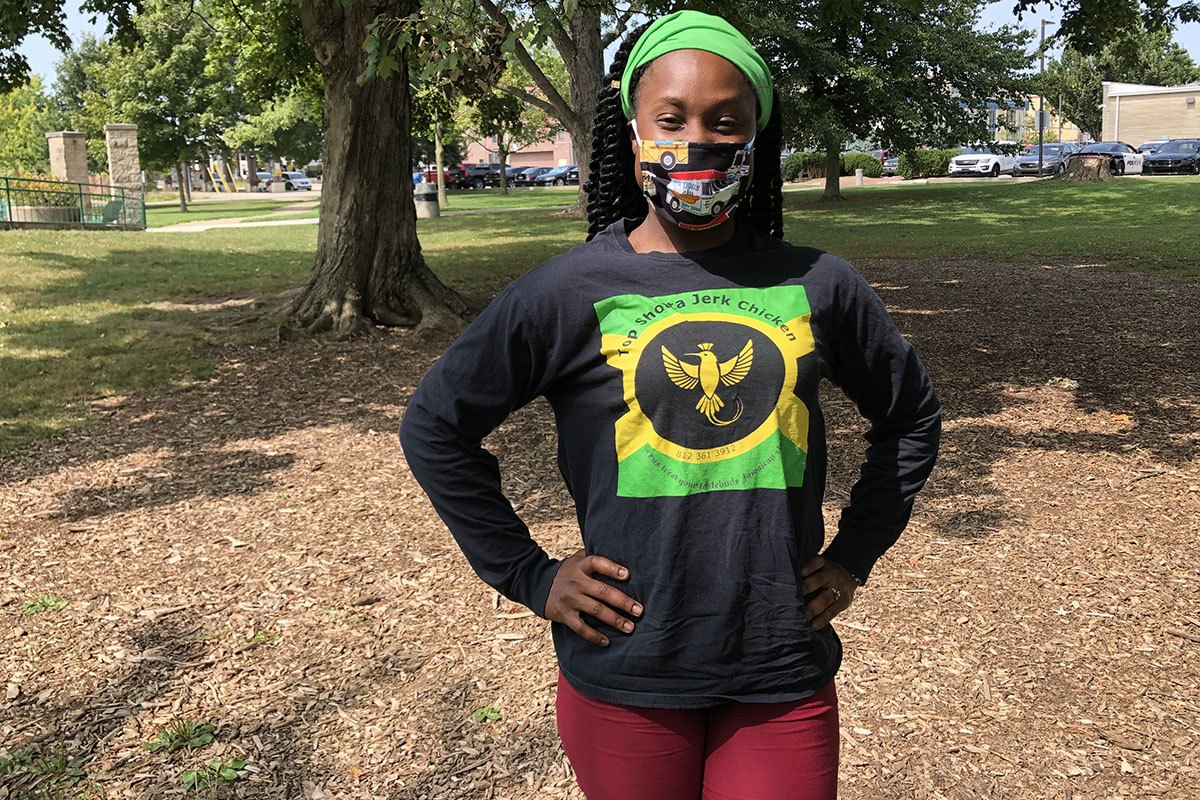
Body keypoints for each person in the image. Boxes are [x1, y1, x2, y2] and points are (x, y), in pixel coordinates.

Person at [399, 10, 941, 799]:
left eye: (727, 122)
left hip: (777, 660)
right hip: (628, 667)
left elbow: (911, 416)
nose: (699, 141)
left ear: (756, 136)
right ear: (632, 128)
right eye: (673, 118)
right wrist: (529, 575)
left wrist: (855, 553)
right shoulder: (566, 291)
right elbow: (435, 427)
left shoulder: (819, 282)